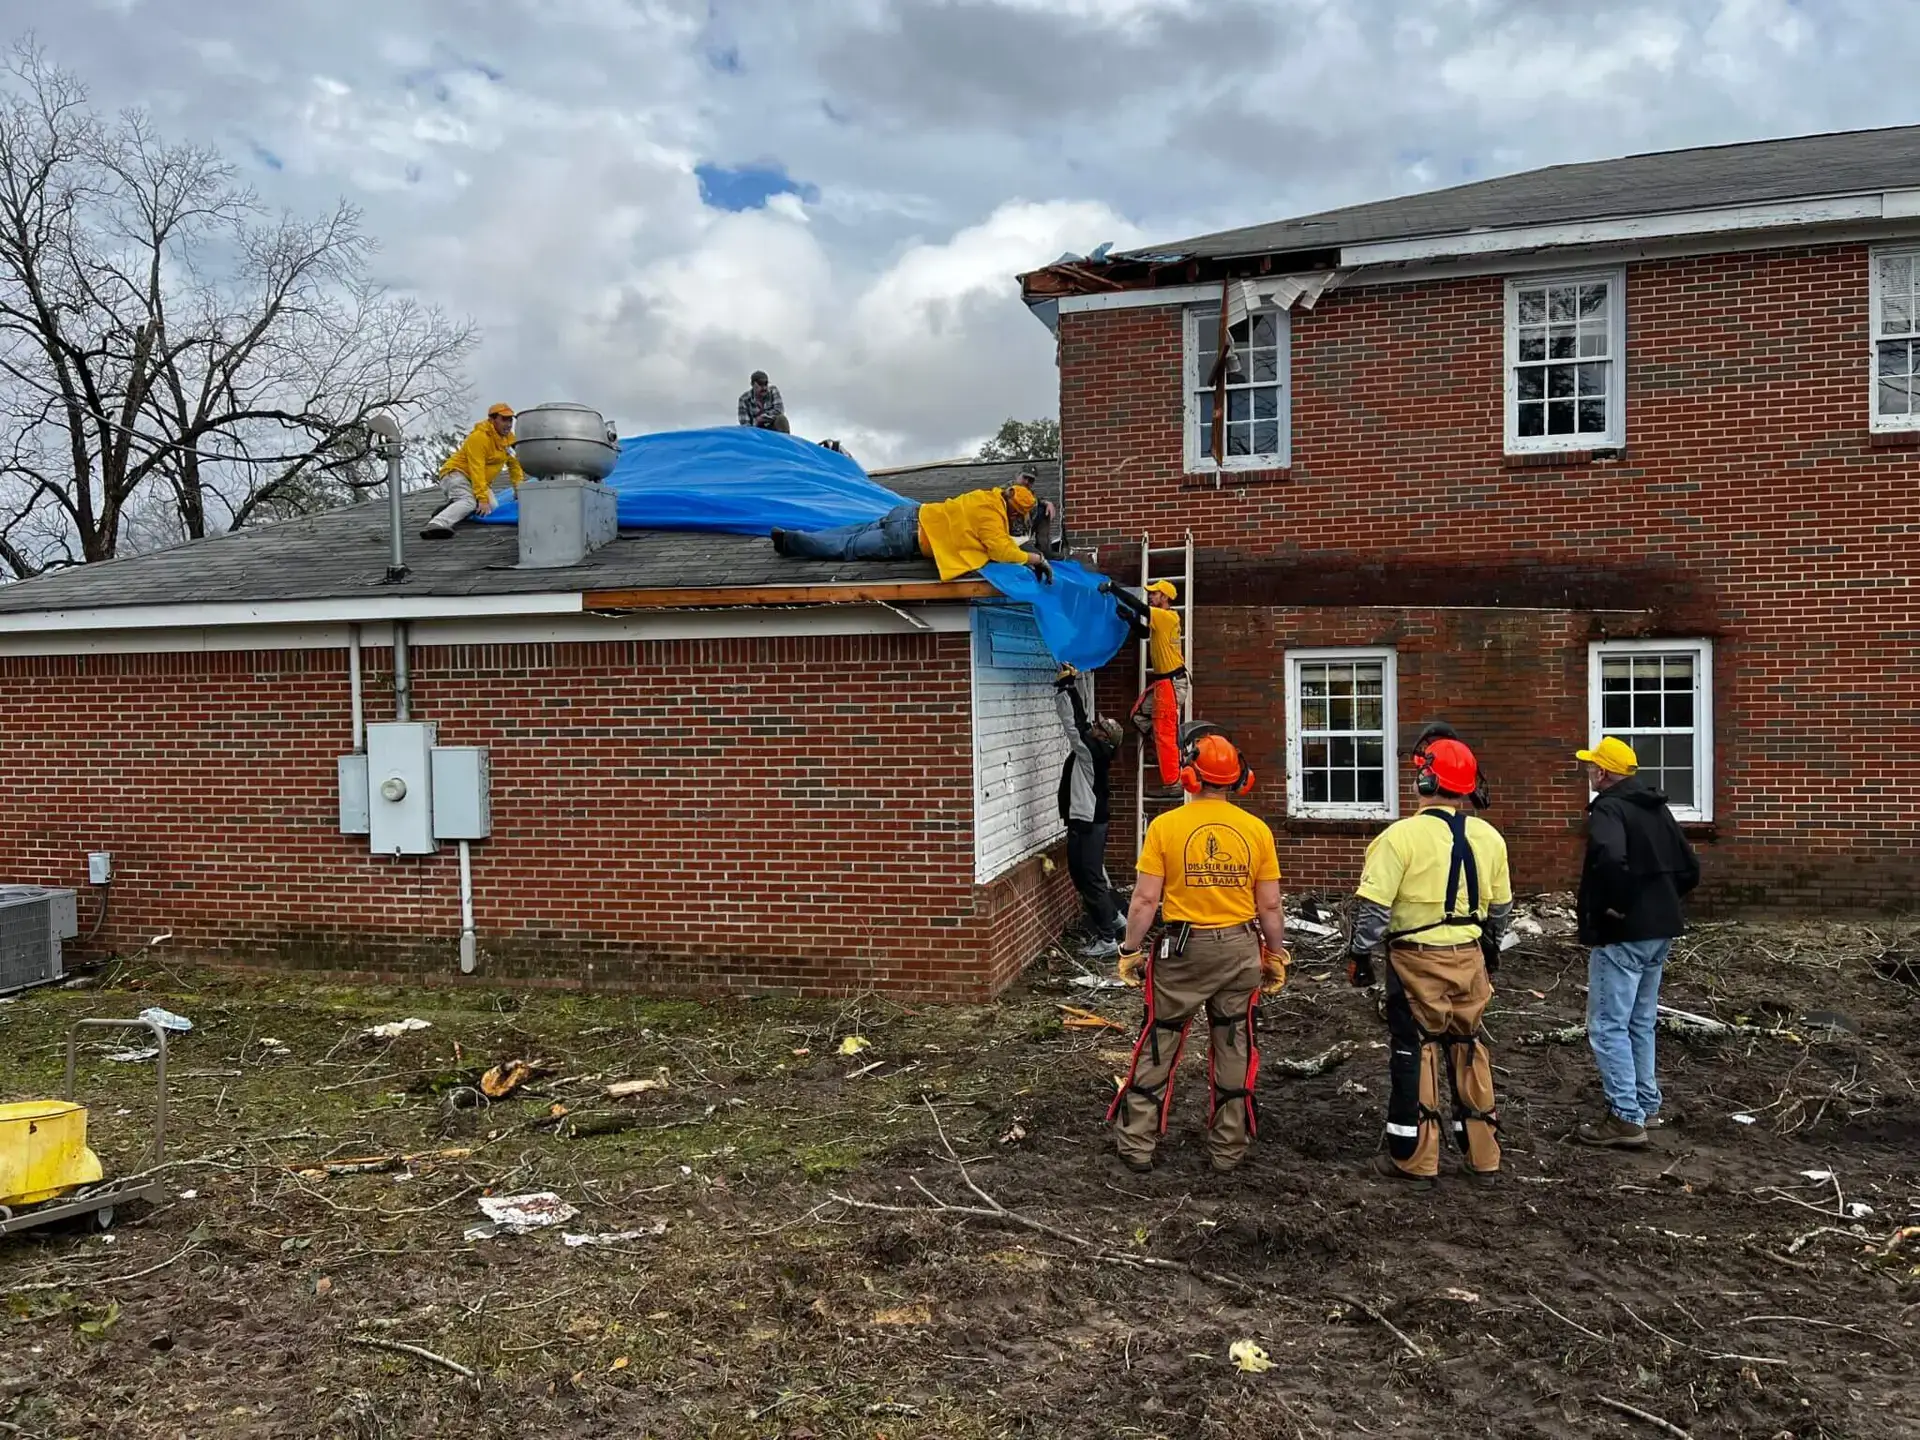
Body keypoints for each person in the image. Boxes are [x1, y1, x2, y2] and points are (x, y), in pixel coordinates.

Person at [1108, 730, 1289, 1175]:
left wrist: (1130, 949)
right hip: (1240, 949)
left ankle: (1137, 1144)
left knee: (1160, 1038)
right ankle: (1228, 1149)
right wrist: (1276, 953)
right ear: (1238, 779)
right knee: (1234, 1042)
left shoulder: (1166, 827)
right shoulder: (1257, 831)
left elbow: (1144, 901)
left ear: (1189, 775)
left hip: (1182, 953)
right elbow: (1269, 905)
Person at [1346, 737, 1512, 1187]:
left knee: (1415, 1051)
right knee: (1469, 1047)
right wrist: (1488, 951)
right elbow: (1499, 910)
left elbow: (1374, 910)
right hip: (1470, 957)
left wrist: (1360, 955)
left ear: (1424, 778)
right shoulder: (1489, 837)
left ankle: (1415, 1157)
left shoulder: (1398, 838)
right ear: (1467, 787)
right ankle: (1484, 1156)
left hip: (1415, 960)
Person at [1573, 736, 1701, 1150]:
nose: (1588, 771)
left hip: (1623, 933)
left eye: (1593, 766)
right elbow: (1690, 868)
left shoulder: (1609, 808)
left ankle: (1625, 1118)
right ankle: (1647, 1106)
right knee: (1639, 1022)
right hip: (1660, 928)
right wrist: (1660, 904)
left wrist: (1617, 907)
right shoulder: (1656, 808)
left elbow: (1610, 858)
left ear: (1605, 772)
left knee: (1608, 1024)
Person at [770, 477, 1056, 585]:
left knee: (851, 531)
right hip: (909, 539)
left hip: (909, 514)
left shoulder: (986, 495)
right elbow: (1001, 550)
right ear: (1012, 510)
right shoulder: (991, 519)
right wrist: (1036, 559)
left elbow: (1016, 495)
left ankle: (796, 534)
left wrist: (1039, 503)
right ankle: (791, 543)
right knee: (848, 548)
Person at [1053, 663, 1126, 958]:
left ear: (1103, 737)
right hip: (1089, 823)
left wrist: (1063, 689)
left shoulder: (1091, 753)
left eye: (1099, 727)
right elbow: (1082, 723)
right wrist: (1074, 682)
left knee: (1089, 879)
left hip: (1087, 825)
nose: (1093, 727)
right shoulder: (1096, 748)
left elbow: (1073, 727)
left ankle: (1108, 938)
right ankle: (1116, 920)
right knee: (1089, 876)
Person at [1110, 581, 1188, 788]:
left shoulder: (1166, 616)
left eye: (1154, 593)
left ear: (1165, 597)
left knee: (1163, 732)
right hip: (1165, 683)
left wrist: (1113, 588)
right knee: (1137, 715)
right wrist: (1129, 619)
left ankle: (1173, 780)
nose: (1150, 596)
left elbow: (1140, 608)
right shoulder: (1163, 619)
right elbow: (1145, 634)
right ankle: (1173, 744)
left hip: (1172, 683)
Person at [422, 404, 524, 539]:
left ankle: (452, 508)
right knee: (469, 502)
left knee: (491, 508)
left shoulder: (508, 440)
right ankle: (437, 523)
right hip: (456, 474)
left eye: (510, 420)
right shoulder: (479, 438)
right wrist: (481, 499)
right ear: (492, 420)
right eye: (504, 419)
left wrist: (519, 490)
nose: (508, 424)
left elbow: (515, 466)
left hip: (476, 481)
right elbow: (477, 468)